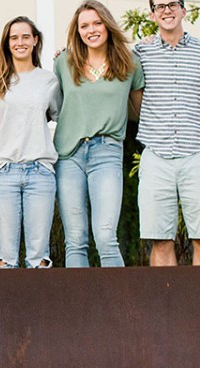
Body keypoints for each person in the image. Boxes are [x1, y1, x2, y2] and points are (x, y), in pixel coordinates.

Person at [53, 2, 144, 268]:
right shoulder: (63, 62)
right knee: (75, 239)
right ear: (77, 31)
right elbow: (55, 108)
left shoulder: (130, 63)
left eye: (97, 23)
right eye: (84, 26)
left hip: (107, 151)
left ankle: (118, 297)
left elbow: (141, 112)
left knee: (106, 237)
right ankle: (77, 297)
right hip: (68, 154)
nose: (91, 30)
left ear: (107, 25)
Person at [135, 0, 200, 267]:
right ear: (152, 15)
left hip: (198, 154)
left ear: (184, 11)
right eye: (160, 6)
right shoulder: (139, 52)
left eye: (173, 4)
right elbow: (104, 60)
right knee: (160, 240)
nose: (167, 10)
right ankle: (164, 297)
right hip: (156, 155)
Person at [0, 17, 61, 269]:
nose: (20, 42)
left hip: (40, 172)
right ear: (7, 43)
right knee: (5, 258)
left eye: (25, 37)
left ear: (35, 40)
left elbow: (58, 115)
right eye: (14, 38)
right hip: (3, 172)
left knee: (39, 258)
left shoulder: (48, 80)